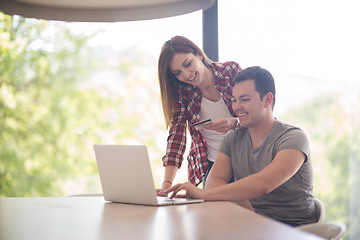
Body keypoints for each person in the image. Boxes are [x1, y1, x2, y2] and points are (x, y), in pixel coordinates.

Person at [164, 66, 318, 227]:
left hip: (293, 230)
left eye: (244, 99)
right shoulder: (233, 139)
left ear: (267, 100)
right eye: (234, 100)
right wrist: (246, 206)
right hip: (250, 224)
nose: (236, 107)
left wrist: (202, 194)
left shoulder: (293, 138)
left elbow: (265, 183)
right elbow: (215, 181)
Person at [156, 36, 242, 196]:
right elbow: (177, 136)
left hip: (246, 162)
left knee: (248, 217)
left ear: (198, 54)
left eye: (187, 64)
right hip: (214, 167)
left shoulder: (231, 71)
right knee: (215, 218)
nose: (187, 75)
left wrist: (235, 123)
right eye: (177, 73)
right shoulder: (182, 92)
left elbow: (258, 114)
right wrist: (166, 184)